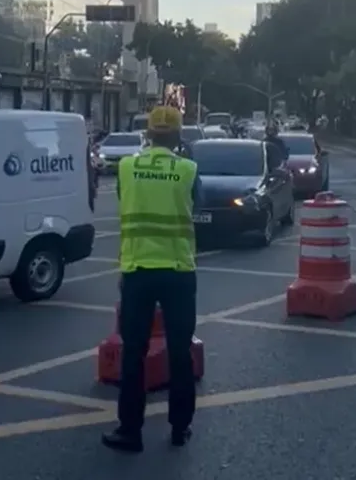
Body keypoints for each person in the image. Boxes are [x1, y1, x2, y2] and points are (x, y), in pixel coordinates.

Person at [103, 105, 202, 453]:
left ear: (148, 134)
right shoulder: (188, 169)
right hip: (178, 271)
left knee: (134, 353)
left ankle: (130, 431)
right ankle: (180, 427)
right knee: (180, 351)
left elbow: (123, 201)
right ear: (178, 136)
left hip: (137, 271)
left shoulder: (127, 167)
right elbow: (196, 205)